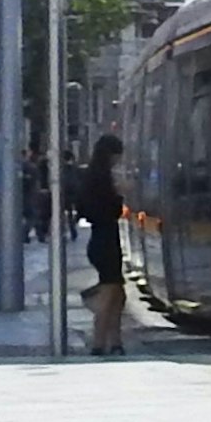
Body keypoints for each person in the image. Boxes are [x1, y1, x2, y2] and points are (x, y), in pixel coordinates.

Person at [74, 134, 130, 355]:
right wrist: (120, 196)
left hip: (100, 239)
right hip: (106, 239)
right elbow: (110, 210)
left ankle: (116, 341)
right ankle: (99, 343)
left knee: (118, 293)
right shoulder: (102, 179)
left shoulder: (90, 176)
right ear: (111, 154)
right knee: (109, 292)